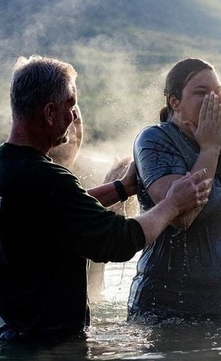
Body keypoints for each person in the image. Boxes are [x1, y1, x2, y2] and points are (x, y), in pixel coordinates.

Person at [0, 55, 212, 341]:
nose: (74, 118)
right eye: (70, 106)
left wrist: (123, 187)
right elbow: (120, 240)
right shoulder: (46, 178)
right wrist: (172, 204)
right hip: (45, 341)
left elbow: (60, 209)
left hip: (4, 325)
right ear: (49, 113)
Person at [128, 58, 221, 322]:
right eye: (201, 93)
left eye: (219, 94)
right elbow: (181, 217)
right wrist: (210, 149)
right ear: (174, 101)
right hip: (166, 312)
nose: (214, 101)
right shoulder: (155, 139)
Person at [47, 107, 138, 301]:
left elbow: (124, 227)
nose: (71, 132)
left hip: (92, 301)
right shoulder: (33, 175)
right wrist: (117, 190)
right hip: (50, 306)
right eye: (65, 119)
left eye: (77, 121)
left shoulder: (97, 170)